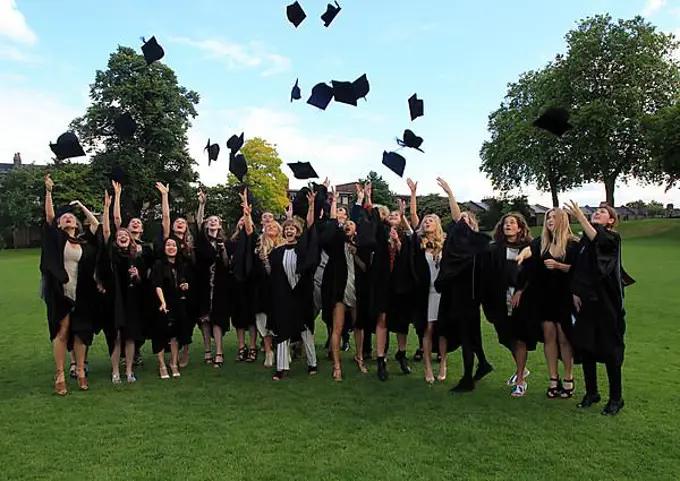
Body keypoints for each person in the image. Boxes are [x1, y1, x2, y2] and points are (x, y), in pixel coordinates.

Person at [565, 202, 633, 416]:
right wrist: (576, 292)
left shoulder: (612, 238)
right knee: (586, 348)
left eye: (603, 212)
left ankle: (616, 398)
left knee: (610, 350)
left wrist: (579, 215)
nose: (598, 212)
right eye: (597, 210)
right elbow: (579, 269)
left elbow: (599, 240)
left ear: (611, 221)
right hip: (586, 303)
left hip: (606, 304)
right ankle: (591, 393)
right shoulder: (584, 242)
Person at [41, 174, 100, 394]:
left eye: (71, 218)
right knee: (62, 330)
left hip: (82, 292)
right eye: (64, 217)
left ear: (76, 224)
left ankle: (81, 372)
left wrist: (82, 206)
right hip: (61, 291)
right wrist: (48, 191)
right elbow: (49, 217)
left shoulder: (83, 242)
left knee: (81, 333)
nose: (68, 219)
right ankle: (60, 374)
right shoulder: (57, 239)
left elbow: (96, 224)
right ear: (59, 223)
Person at [434, 178, 494, 392]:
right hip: (453, 293)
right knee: (470, 335)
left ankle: (468, 379)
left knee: (468, 336)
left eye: (467, 220)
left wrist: (450, 194)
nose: (462, 221)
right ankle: (484, 363)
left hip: (469, 295)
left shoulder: (478, 244)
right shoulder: (456, 242)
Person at [516, 208, 580, 399]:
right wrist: (522, 255)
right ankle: (553, 378)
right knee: (549, 336)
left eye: (554, 217)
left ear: (563, 220)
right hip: (544, 297)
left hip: (565, 297)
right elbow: (530, 249)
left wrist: (560, 266)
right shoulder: (541, 243)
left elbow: (579, 270)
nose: (550, 220)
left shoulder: (572, 243)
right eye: (548, 218)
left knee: (564, 337)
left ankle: (569, 377)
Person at [482, 213, 536, 396]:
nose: (508, 225)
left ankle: (520, 379)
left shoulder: (529, 248)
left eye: (512, 223)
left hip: (522, 298)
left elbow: (533, 273)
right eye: (505, 223)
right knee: (506, 336)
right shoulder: (494, 248)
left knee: (519, 336)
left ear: (520, 227)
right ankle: (522, 368)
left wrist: (520, 291)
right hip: (499, 299)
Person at [268, 190, 319, 381]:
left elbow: (311, 226)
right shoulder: (277, 252)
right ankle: (282, 367)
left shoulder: (303, 248)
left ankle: (312, 363)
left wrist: (311, 205)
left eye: (293, 229)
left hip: (301, 294)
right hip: (283, 296)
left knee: (305, 329)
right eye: (287, 228)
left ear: (298, 232)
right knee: (283, 330)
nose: (289, 231)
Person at [321, 187, 368, 381]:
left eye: (351, 223)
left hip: (356, 288)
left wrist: (356, 254)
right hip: (339, 289)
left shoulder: (362, 244)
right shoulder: (336, 242)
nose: (348, 225)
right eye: (345, 223)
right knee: (337, 327)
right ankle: (337, 367)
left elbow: (366, 269)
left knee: (359, 326)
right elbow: (331, 227)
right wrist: (333, 203)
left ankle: (359, 358)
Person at [100, 188, 147, 384]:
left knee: (130, 337)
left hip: (132, 300)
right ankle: (115, 371)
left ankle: (128, 371)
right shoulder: (112, 253)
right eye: (119, 235)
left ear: (130, 239)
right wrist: (109, 205)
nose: (122, 237)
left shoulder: (135, 256)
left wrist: (138, 276)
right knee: (116, 337)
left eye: (125, 235)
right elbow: (108, 228)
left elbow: (143, 281)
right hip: (114, 300)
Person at [158, 183, 200, 368]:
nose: (180, 223)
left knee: (188, 321)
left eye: (183, 222)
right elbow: (166, 219)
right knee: (171, 322)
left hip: (189, 285)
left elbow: (199, 223)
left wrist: (201, 205)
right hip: (170, 285)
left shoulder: (191, 243)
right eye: (177, 222)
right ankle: (170, 352)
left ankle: (185, 353)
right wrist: (165, 196)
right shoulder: (170, 241)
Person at [151, 237, 190, 379]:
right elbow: (157, 285)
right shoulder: (159, 264)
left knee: (175, 334)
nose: (171, 247)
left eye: (174, 245)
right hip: (162, 302)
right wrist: (163, 302)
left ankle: (174, 363)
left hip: (178, 302)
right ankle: (162, 365)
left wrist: (186, 285)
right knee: (161, 334)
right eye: (168, 245)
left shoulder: (181, 264)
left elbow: (184, 280)